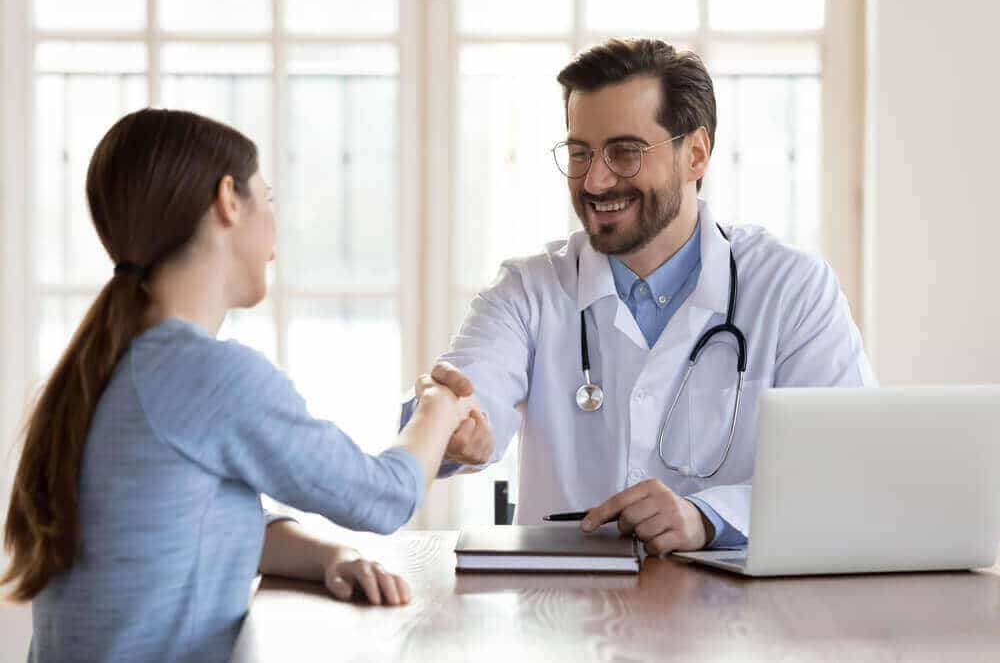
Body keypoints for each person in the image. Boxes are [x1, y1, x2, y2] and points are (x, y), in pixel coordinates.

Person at [1, 108, 476, 662]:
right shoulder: (206, 374)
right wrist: (440, 405)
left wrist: (329, 556)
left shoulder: (110, 366)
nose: (275, 228)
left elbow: (196, 519)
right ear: (228, 200)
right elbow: (382, 496)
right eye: (267, 198)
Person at [411, 38, 875, 554]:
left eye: (624, 153)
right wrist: (453, 428)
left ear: (695, 153)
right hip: (565, 620)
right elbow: (465, 398)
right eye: (580, 153)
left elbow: (850, 469)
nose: (595, 180)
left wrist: (705, 517)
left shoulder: (792, 290)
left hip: (742, 622)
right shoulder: (528, 291)